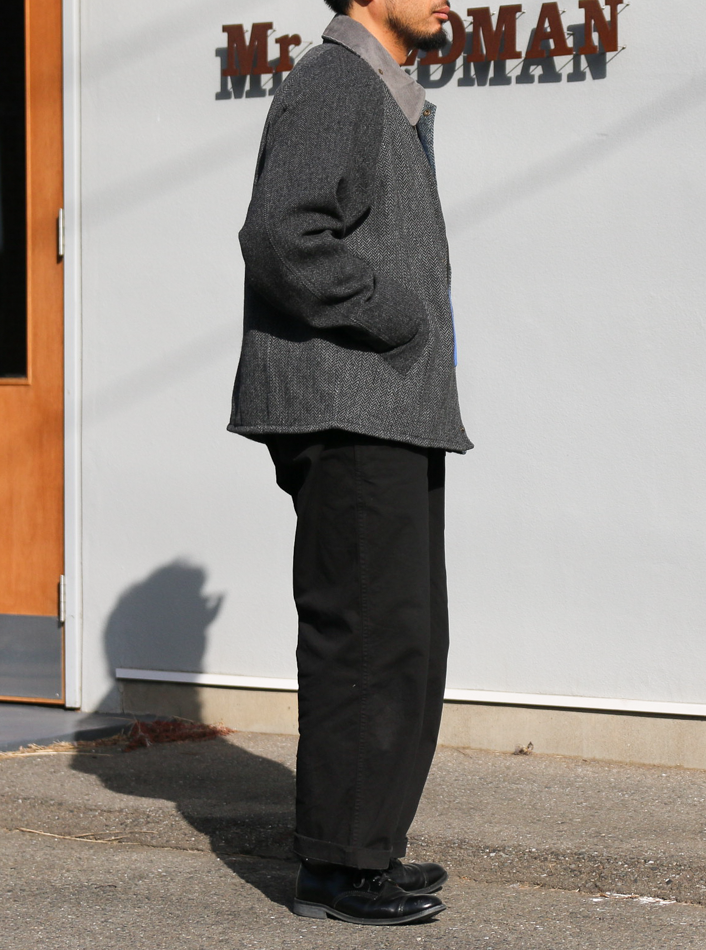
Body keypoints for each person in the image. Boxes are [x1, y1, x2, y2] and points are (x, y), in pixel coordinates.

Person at [228, 0, 472, 926]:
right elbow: (280, 234)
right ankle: (338, 868)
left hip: (388, 408)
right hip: (349, 404)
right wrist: (396, 309)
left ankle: (368, 849)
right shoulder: (334, 83)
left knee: (403, 637)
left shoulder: (380, 92)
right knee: (367, 633)